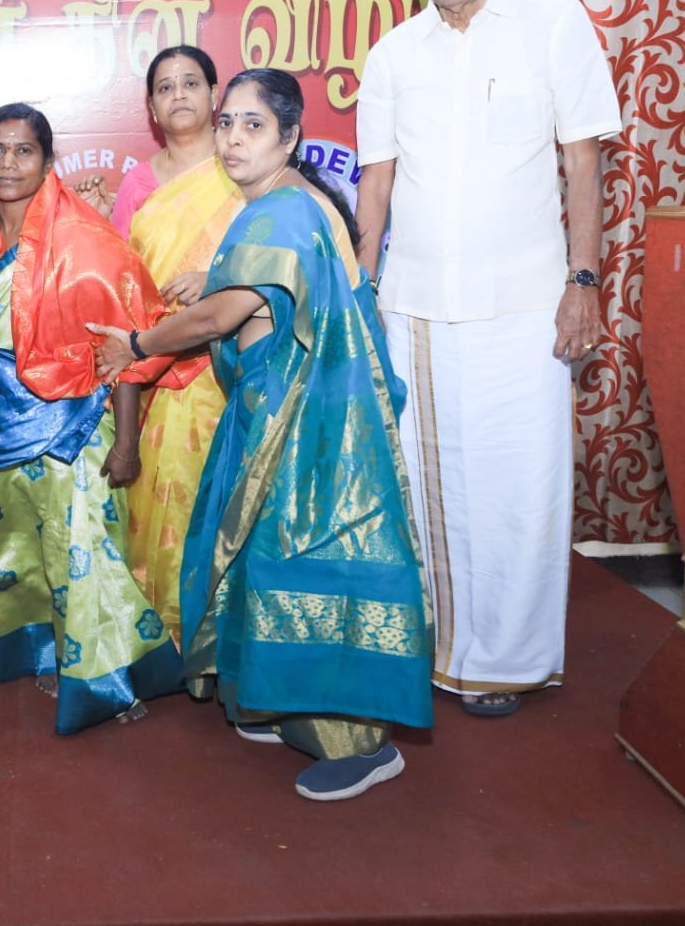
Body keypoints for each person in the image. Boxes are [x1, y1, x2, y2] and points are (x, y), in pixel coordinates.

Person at [92, 69, 432, 800]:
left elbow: (219, 316)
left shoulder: (282, 212)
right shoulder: (279, 205)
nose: (234, 139)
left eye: (254, 125)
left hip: (307, 428)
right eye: (228, 123)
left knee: (304, 567)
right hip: (274, 411)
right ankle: (289, 709)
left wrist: (136, 343)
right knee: (259, 562)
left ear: (290, 137)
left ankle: (362, 745)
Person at [354, 0, 622, 718]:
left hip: (528, 305)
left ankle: (508, 660)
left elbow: (584, 165)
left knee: (521, 486)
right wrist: (361, 286)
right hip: (417, 307)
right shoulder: (393, 54)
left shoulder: (555, 25)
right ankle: (437, 647)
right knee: (432, 487)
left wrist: (583, 282)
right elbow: (376, 183)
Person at [0, 103, 181, 734]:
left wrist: (125, 444)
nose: (8, 164)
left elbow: (124, 344)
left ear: (48, 161)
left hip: (72, 427)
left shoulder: (84, 241)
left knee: (80, 555)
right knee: (10, 548)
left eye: (23, 151)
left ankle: (111, 680)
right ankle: (45, 651)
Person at [118, 45, 247, 645]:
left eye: (190, 83)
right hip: (156, 366)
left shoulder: (240, 166)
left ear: (215, 94)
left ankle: (227, 635)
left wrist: (216, 278)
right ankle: (166, 637)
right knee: (162, 500)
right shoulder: (139, 183)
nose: (178, 95)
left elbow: (269, 254)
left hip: (231, 364)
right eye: (165, 87)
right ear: (151, 106)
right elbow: (122, 278)